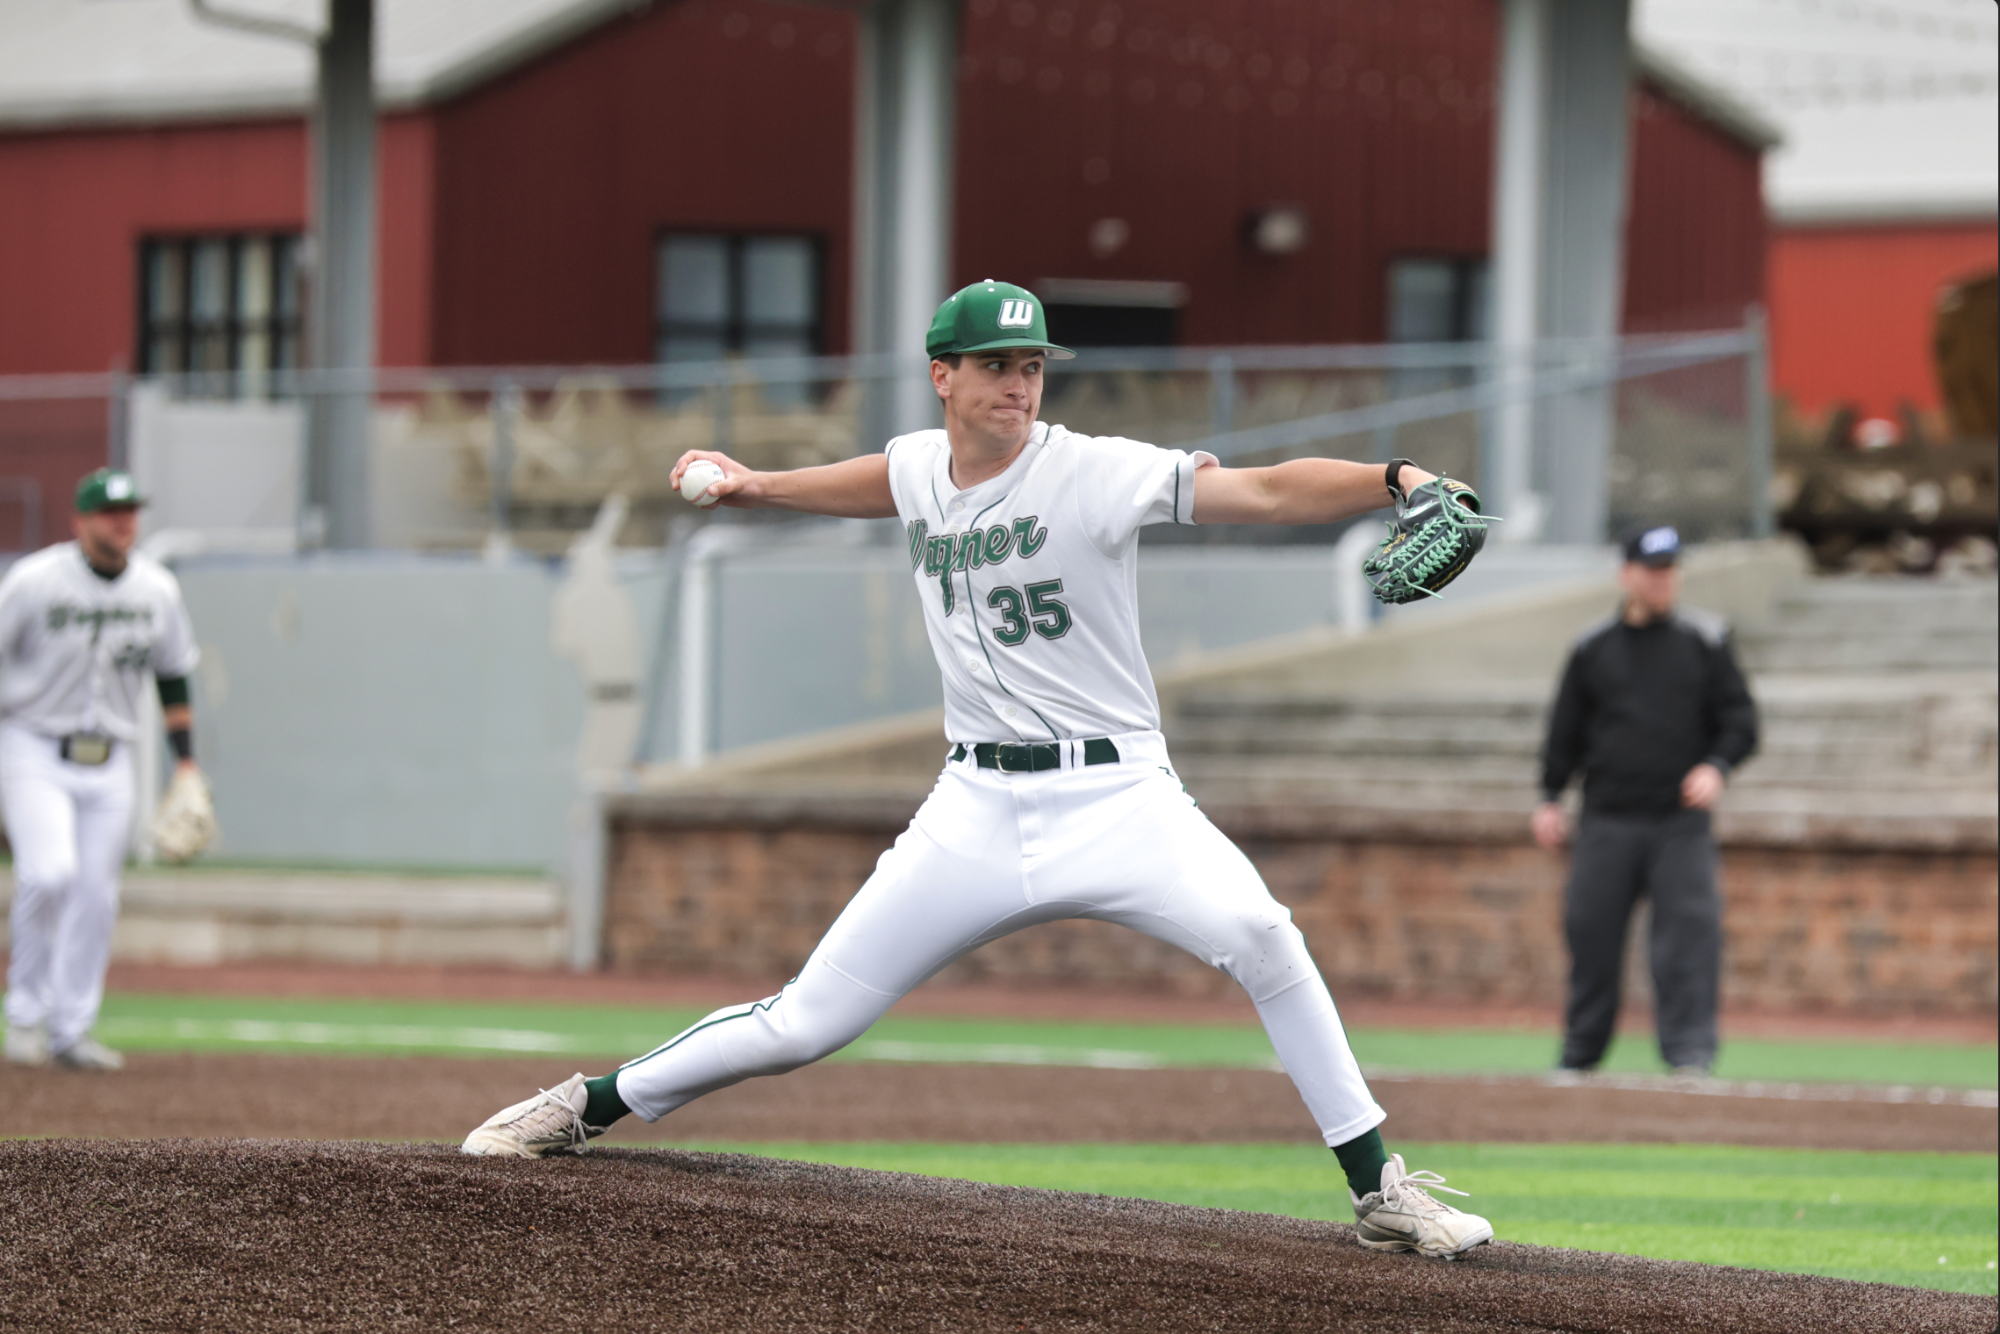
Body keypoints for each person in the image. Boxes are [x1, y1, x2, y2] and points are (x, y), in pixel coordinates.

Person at [462, 281, 1494, 1260]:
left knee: (1262, 932)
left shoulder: (1089, 468)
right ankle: (587, 1103)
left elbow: (1259, 489)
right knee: (803, 1022)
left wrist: (1393, 477)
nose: (1018, 382)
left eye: (1032, 364)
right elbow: (884, 478)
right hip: (974, 804)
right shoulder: (920, 463)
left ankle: (1379, 1190)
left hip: (1117, 793)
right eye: (994, 363)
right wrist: (755, 482)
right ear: (940, 376)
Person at [1532, 525, 1758, 1077]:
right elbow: (1565, 732)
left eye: (1671, 569)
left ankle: (1689, 1057)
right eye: (1654, 569)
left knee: (1688, 943)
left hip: (1679, 824)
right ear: (1627, 574)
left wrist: (1716, 766)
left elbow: (1741, 722)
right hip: (1607, 818)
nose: (1664, 580)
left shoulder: (1706, 639)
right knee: (1591, 938)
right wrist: (1549, 797)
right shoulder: (1592, 647)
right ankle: (1579, 1057)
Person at [1, 469, 203, 1071]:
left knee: (96, 895)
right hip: (33, 743)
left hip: (111, 756)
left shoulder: (156, 589)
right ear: (80, 522)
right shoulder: (35, 581)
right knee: (50, 873)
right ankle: (25, 1017)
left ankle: (71, 1028)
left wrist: (186, 763)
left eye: (131, 511)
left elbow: (173, 673)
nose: (124, 521)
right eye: (110, 512)